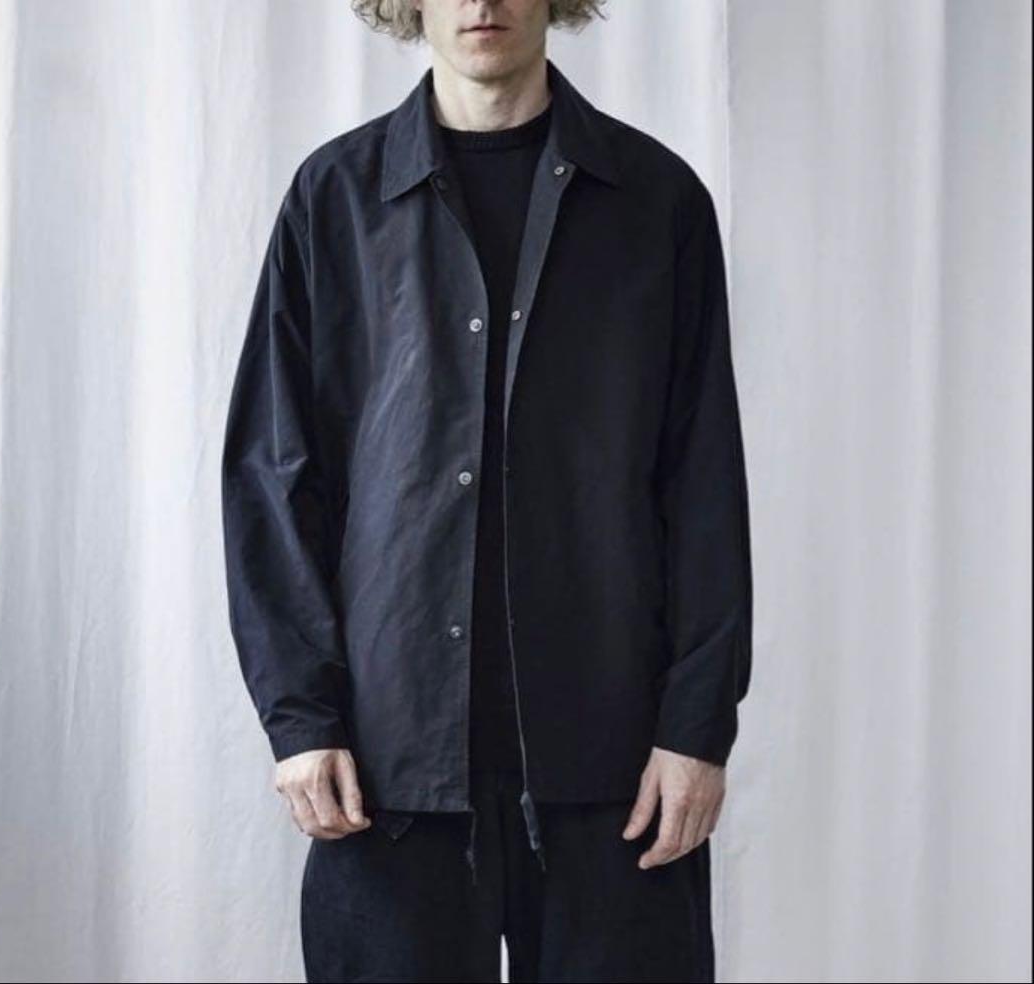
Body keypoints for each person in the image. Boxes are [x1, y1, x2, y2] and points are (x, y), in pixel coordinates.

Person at [220, 1, 753, 980]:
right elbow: (275, 474)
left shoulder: (655, 199)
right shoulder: (335, 198)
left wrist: (696, 726)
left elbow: (703, 481)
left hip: (616, 763)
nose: (481, 2)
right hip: (389, 768)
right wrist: (302, 719)